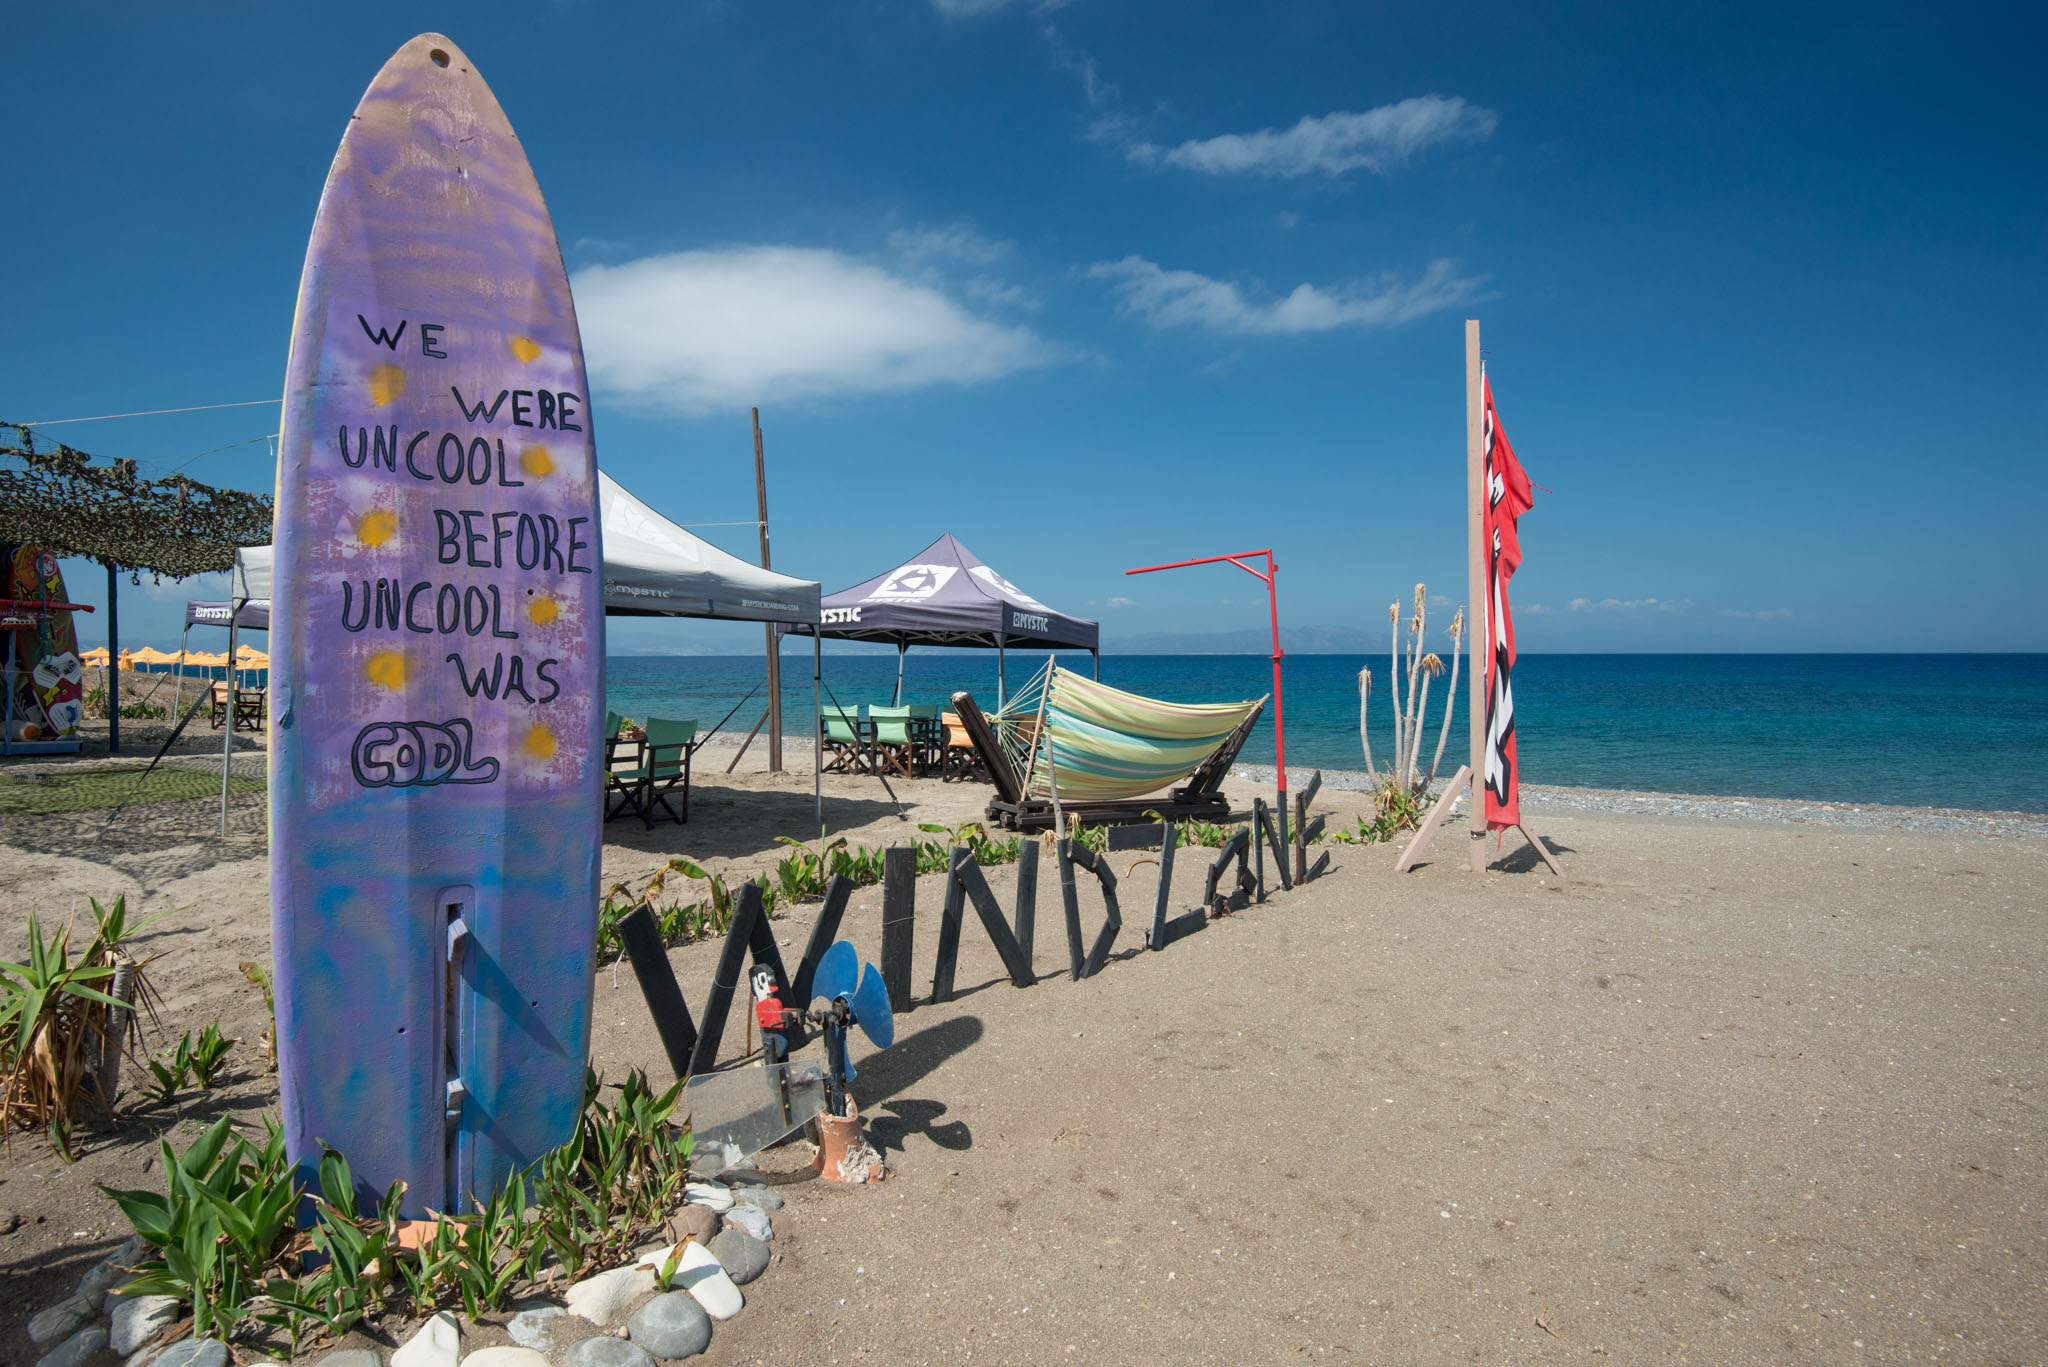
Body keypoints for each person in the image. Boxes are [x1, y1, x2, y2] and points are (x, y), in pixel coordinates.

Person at [752, 966, 791, 1064]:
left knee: (782, 1051)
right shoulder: (765, 1004)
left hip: (779, 1036)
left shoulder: (774, 1003)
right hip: (773, 1037)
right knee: (776, 1050)